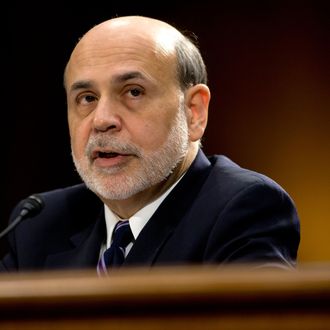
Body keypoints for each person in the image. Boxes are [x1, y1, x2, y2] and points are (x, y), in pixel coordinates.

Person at [0, 15, 300, 272]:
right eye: (87, 98)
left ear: (194, 111)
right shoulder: (38, 223)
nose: (102, 119)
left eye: (133, 92)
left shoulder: (243, 209)